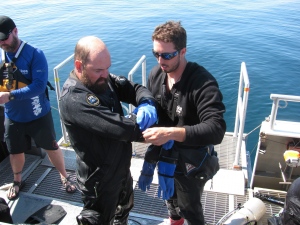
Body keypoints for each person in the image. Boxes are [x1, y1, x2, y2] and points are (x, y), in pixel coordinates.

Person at [59, 36, 157, 225]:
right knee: (100, 220)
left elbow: (134, 89)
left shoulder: (101, 78)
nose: (106, 74)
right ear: (79, 66)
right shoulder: (74, 99)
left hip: (120, 168)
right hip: (99, 180)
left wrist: (147, 102)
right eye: (99, 70)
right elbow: (121, 128)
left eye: (107, 68)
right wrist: (146, 124)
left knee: (125, 207)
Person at [138, 21, 226, 225]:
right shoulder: (156, 74)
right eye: (156, 54)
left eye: (167, 55)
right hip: (166, 157)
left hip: (191, 163)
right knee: (170, 200)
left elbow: (216, 129)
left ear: (183, 51)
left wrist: (170, 133)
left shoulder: (202, 83)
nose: (161, 61)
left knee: (190, 208)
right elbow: (152, 105)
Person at [0, 15, 76, 201]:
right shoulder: (2, 56)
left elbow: (39, 86)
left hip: (38, 114)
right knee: (14, 150)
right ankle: (18, 180)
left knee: (52, 147)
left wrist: (10, 96)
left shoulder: (35, 54)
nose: (2, 42)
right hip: (12, 115)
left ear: (15, 31)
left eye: (4, 38)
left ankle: (64, 176)